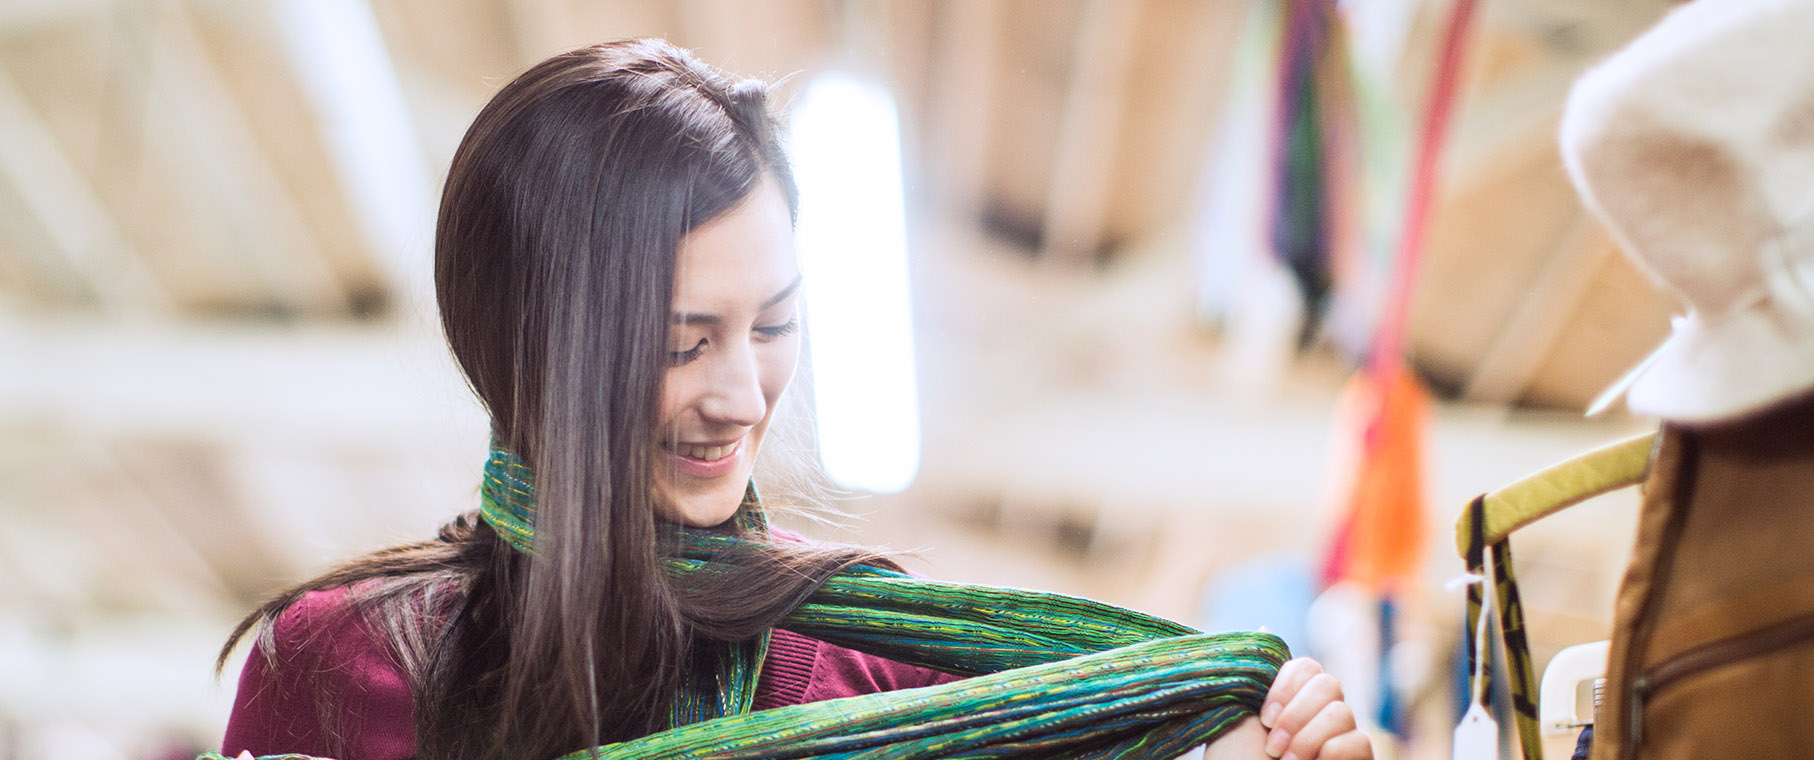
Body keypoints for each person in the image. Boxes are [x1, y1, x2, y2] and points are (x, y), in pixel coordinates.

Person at [217, 38, 1372, 760]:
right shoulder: (339, 668)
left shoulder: (892, 666)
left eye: (772, 327)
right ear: (531, 352)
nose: (739, 394)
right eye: (682, 343)